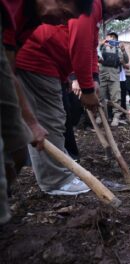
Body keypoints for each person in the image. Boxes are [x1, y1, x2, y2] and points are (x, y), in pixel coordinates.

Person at [0, 0, 95, 224]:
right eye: (63, 13)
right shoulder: (12, 7)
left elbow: (9, 69)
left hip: (26, 70)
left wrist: (30, 121)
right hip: (38, 66)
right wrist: (32, 122)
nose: (61, 22)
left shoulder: (30, 20)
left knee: (16, 148)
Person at [98, 32, 129, 126]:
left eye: (113, 38)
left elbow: (126, 60)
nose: (111, 39)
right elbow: (95, 54)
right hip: (102, 75)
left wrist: (123, 50)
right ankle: (100, 116)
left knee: (116, 97)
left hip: (115, 76)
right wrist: (101, 44)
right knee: (101, 97)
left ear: (116, 40)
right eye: (109, 37)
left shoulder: (118, 49)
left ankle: (116, 117)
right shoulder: (101, 47)